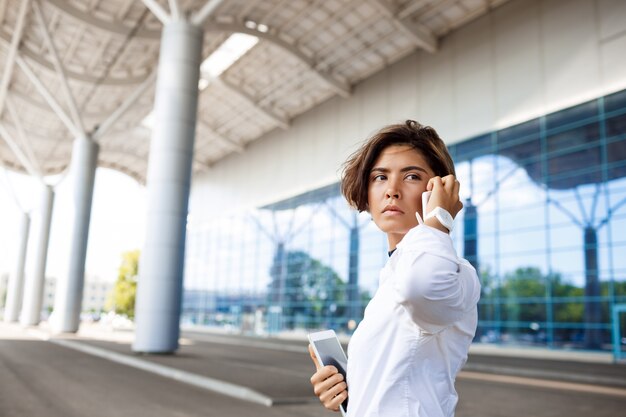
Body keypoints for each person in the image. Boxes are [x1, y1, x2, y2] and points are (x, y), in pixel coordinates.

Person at [308, 120, 481, 417]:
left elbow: (420, 287)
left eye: (411, 176)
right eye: (379, 177)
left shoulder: (456, 273)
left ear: (439, 189)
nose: (392, 190)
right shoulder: (391, 276)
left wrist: (438, 219)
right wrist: (350, 392)